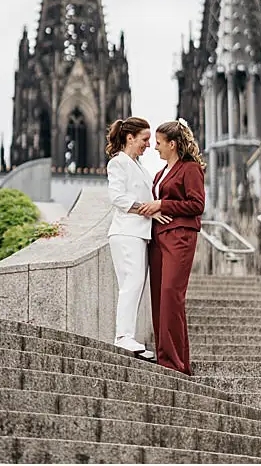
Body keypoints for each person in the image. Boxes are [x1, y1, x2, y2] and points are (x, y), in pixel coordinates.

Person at [138, 118, 205, 375]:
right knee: (158, 298)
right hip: (158, 237)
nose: (155, 148)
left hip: (180, 237)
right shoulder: (159, 173)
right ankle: (166, 356)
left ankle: (175, 362)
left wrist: (163, 205)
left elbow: (196, 205)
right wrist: (153, 210)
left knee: (171, 296)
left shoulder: (190, 169)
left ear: (173, 144)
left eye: (159, 143)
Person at [105, 117, 156, 361]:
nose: (148, 144)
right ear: (130, 138)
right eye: (145, 139)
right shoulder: (119, 163)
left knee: (135, 284)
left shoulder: (139, 167)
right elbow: (117, 197)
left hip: (138, 233)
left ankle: (128, 335)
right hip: (126, 232)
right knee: (131, 284)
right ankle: (123, 337)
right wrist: (146, 209)